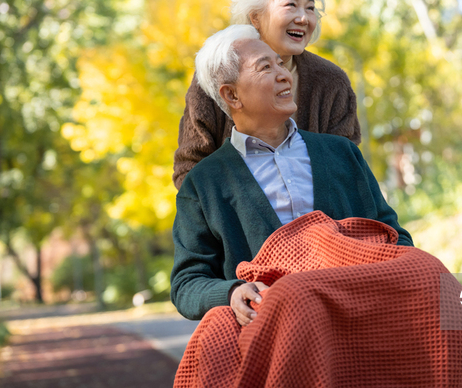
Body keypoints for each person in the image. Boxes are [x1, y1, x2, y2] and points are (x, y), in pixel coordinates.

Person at [170, 25, 412, 325]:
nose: (283, 74)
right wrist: (231, 293)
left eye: (280, 64)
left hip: (359, 312)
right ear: (232, 95)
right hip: (274, 325)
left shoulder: (341, 153)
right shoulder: (203, 184)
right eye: (265, 67)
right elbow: (186, 284)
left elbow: (394, 235)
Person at [172, 0, 361, 190]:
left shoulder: (332, 81)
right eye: (291, 5)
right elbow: (190, 172)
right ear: (255, 17)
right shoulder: (218, 75)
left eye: (310, 8)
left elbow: (347, 166)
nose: (304, 18)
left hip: (321, 222)